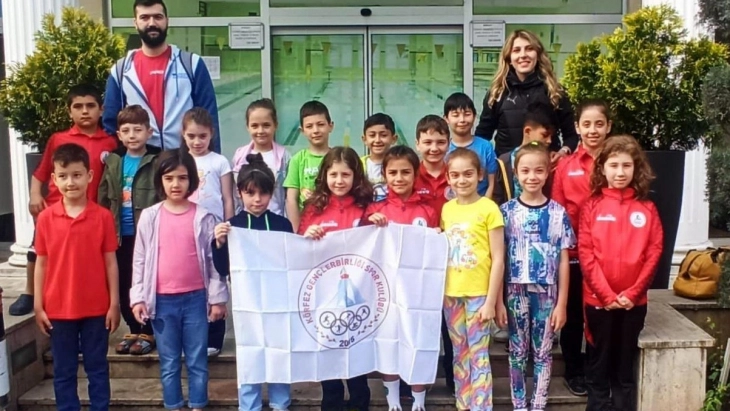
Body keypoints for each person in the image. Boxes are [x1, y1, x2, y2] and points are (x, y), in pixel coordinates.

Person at [131, 149, 228, 411]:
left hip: (196, 299)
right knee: (169, 361)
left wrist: (217, 299)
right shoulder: (150, 216)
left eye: (182, 178)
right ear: (160, 180)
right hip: (162, 301)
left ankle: (197, 404)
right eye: (169, 178)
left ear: (192, 180)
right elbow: (140, 259)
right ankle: (173, 404)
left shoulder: (204, 216)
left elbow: (213, 262)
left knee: (197, 359)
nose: (176, 184)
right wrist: (138, 297)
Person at [10, 84, 118, 317]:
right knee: (38, 251)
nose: (84, 111)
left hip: (91, 212)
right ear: (69, 111)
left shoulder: (110, 143)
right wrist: (35, 195)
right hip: (55, 210)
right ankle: (30, 293)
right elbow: (41, 172)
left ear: (101, 109)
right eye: (78, 106)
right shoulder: (58, 139)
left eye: (90, 106)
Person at [33, 143, 120, 411]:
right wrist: (38, 304)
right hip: (58, 309)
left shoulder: (103, 217)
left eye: (77, 175)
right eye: (63, 176)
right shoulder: (46, 218)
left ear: (89, 176)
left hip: (96, 308)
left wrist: (114, 303)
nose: (70, 182)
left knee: (97, 368)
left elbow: (110, 262)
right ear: (54, 179)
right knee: (64, 370)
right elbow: (41, 263)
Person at [579, 135, 663, 411]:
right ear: (602, 168)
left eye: (626, 165)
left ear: (636, 168)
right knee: (599, 362)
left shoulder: (647, 208)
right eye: (613, 165)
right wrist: (606, 295)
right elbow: (586, 254)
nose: (620, 172)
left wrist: (633, 293)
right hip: (598, 301)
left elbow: (654, 253)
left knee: (624, 366)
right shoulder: (592, 206)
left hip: (633, 303)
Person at [212, 153, 293, 411]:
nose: (257, 199)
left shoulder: (282, 225)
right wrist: (219, 243)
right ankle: (249, 405)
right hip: (246, 303)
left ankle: (281, 403)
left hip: (278, 302)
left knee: (280, 351)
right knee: (249, 352)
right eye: (250, 193)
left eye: (263, 193)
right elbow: (223, 268)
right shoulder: (231, 226)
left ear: (272, 193)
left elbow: (292, 263)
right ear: (239, 193)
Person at [499, 142, 575, 411]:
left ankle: (539, 403)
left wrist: (562, 303)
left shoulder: (558, 213)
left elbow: (564, 261)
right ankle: (519, 404)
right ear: (516, 173)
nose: (532, 176)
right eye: (525, 170)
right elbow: (499, 259)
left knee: (543, 352)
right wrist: (498, 301)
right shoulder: (506, 212)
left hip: (547, 293)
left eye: (539, 170)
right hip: (515, 292)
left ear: (548, 172)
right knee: (517, 352)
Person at [297, 146, 373, 411]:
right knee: (328, 354)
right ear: (324, 176)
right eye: (334, 175)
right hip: (324, 297)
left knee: (356, 359)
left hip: (357, 295)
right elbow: (300, 246)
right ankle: (331, 402)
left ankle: (360, 402)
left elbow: (377, 246)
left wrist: (377, 222)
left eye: (345, 175)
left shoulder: (365, 207)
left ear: (356, 176)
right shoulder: (314, 208)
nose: (339, 181)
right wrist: (307, 234)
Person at [364, 145, 437, 411]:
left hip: (418, 293)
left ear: (416, 174)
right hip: (386, 291)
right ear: (384, 175)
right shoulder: (375, 210)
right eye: (393, 172)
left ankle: (418, 402)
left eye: (406, 172)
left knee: (418, 341)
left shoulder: (428, 211)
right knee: (389, 343)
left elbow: (436, 249)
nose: (399, 178)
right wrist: (370, 222)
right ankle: (393, 401)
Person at [551, 99, 612, 396]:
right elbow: (559, 210)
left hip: (608, 254)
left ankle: (598, 371)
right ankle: (574, 371)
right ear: (577, 127)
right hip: (574, 253)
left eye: (599, 124)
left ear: (609, 127)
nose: (592, 130)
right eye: (586, 124)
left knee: (601, 315)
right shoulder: (566, 166)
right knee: (574, 314)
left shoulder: (617, 163)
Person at [102, 0, 221, 153]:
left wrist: (213, 160)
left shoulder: (192, 64)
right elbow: (111, 123)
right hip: (141, 161)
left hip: (185, 159)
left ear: (167, 20)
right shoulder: (121, 70)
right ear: (135, 23)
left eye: (158, 17)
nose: (152, 23)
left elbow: (209, 118)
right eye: (144, 17)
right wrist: (118, 161)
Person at [440, 148, 505, 411]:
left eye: (468, 174)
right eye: (455, 175)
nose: (461, 180)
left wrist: (492, 302)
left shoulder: (489, 208)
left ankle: (481, 406)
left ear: (479, 175)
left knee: (479, 354)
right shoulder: (447, 209)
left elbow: (498, 259)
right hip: (451, 294)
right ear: (448, 178)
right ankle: (463, 404)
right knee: (459, 353)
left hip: (479, 294)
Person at [98, 105, 161, 355]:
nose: (132, 135)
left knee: (145, 281)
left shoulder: (156, 161)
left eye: (138, 129)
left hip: (145, 235)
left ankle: (149, 331)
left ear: (149, 132)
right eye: (126, 131)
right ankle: (133, 328)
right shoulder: (114, 161)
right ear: (119, 135)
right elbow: (104, 196)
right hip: (119, 235)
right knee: (123, 282)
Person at [474, 29, 579, 161]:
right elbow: (482, 136)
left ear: (538, 55)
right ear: (509, 58)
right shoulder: (497, 93)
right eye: (516, 50)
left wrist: (563, 152)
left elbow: (571, 135)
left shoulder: (555, 92)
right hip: (507, 169)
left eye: (529, 49)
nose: (523, 55)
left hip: (546, 167)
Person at [180, 107, 234, 357]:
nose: (197, 142)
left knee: (216, 280)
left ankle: (215, 336)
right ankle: (192, 335)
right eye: (191, 136)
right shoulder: (181, 161)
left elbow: (227, 197)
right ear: (183, 135)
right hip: (187, 229)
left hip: (215, 231)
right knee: (192, 281)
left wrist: (229, 226)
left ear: (211, 134)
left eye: (202, 136)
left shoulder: (219, 161)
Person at [412, 115, 455, 396]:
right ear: (417, 144)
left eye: (440, 141)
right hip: (420, 263)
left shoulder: (457, 172)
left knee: (451, 325)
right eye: (427, 142)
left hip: (454, 260)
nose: (434, 148)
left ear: (449, 143)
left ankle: (454, 379)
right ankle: (419, 382)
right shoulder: (410, 174)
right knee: (423, 324)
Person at [231, 98, 291, 216]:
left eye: (266, 125)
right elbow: (235, 194)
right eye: (255, 126)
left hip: (275, 219)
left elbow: (288, 196)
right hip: (247, 221)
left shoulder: (284, 157)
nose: (260, 130)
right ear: (247, 127)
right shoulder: (240, 156)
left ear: (275, 125)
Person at [492, 102, 555, 206]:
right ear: (527, 131)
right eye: (545, 135)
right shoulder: (504, 162)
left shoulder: (551, 161)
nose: (549, 141)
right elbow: (497, 199)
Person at [284, 100, 334, 231]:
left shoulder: (337, 158)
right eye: (309, 126)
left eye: (320, 124)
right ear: (302, 130)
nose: (315, 130)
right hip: (307, 228)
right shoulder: (297, 160)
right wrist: (297, 231)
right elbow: (291, 199)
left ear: (331, 126)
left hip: (334, 224)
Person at [444, 92, 497, 199]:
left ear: (474, 116)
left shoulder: (486, 146)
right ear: (446, 119)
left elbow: (492, 183)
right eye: (456, 115)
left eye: (467, 114)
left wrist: (485, 204)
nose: (462, 120)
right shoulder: (444, 148)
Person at [361, 113, 398, 202]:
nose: (377, 140)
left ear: (394, 139)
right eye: (372, 135)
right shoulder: (358, 165)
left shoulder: (400, 164)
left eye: (383, 135)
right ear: (364, 139)